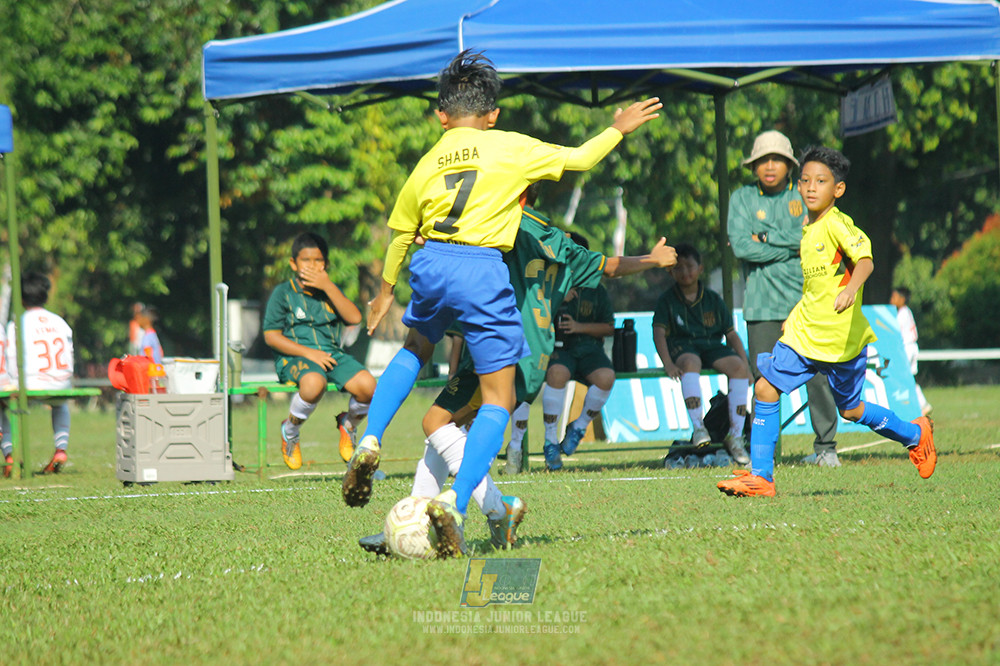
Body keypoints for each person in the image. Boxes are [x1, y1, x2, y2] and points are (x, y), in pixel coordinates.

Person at [344, 49, 661, 558]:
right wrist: (618, 127)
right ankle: (456, 503)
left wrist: (384, 291)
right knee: (499, 401)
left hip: (431, 262)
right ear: (492, 116)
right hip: (479, 267)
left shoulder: (426, 162)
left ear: (440, 116)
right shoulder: (509, 147)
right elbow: (580, 158)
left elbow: (402, 232)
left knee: (414, 348)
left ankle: (370, 439)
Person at [359, 187, 676, 557]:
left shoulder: (501, 224)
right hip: (534, 356)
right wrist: (651, 260)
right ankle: (418, 518)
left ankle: (497, 507)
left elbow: (463, 253)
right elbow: (608, 266)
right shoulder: (558, 239)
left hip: (501, 349)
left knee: (435, 423)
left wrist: (432, 236)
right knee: (447, 431)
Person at [718, 146, 936, 498]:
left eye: (821, 181)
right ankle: (761, 478)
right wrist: (794, 314)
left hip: (840, 340)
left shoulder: (837, 223)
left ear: (838, 190)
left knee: (851, 410)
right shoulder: (808, 229)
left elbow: (865, 261)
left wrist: (851, 289)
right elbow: (815, 285)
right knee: (764, 388)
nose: (810, 188)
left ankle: (915, 435)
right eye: (805, 180)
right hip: (805, 334)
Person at [727, 130, 842, 467]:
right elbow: (742, 246)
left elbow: (809, 237)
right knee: (764, 381)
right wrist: (788, 244)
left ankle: (826, 449)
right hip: (761, 304)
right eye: (763, 160)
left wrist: (763, 237)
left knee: (818, 375)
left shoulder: (806, 193)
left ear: (790, 165)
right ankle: (765, 455)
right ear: (754, 166)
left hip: (806, 302)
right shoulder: (742, 198)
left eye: (777, 159)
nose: (770, 166)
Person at [262, 232, 376, 469]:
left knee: (369, 387)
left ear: (326, 264)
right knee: (314, 383)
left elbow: (355, 318)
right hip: (295, 357)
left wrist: (328, 286)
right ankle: (290, 431)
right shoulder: (284, 293)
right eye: (306, 260)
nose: (312, 266)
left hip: (332, 355)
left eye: (318, 261)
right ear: (294, 263)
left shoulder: (330, 291)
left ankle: (349, 425)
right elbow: (271, 336)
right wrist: (310, 353)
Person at [652, 243, 752, 465]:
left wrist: (746, 367)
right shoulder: (667, 300)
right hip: (683, 347)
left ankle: (736, 436)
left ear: (700, 269)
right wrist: (667, 363)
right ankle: (699, 428)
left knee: (737, 368)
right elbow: (658, 333)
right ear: (671, 271)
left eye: (690, 266)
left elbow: (731, 334)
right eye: (678, 267)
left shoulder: (713, 300)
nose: (685, 272)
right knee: (690, 362)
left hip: (711, 345)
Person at [540, 232, 617, 471]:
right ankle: (551, 441)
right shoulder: (551, 283)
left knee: (606, 377)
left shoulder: (597, 289)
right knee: (556, 374)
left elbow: (609, 327)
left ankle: (579, 427)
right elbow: (535, 315)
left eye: (575, 256)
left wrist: (579, 327)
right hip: (559, 349)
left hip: (588, 349)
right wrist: (558, 297)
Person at [1, 272, 75, 474]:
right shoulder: (60, 322)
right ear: (45, 296)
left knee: (0, 405)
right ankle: (61, 449)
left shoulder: (17, 324)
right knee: (60, 404)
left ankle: (9, 454)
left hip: (32, 384)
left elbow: (12, 360)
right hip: (62, 383)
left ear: (21, 298)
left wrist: (11, 385)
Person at [891, 286, 932, 416]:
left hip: (907, 348)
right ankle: (922, 405)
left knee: (900, 376)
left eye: (894, 297)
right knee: (909, 378)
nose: (891, 299)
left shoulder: (902, 313)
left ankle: (903, 406)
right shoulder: (907, 312)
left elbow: (897, 333)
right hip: (912, 347)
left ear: (902, 299)